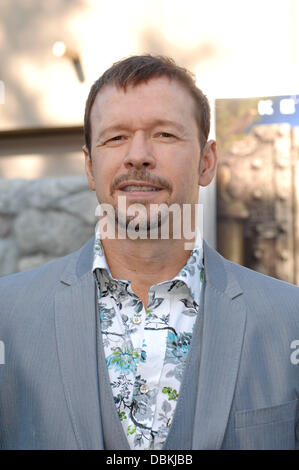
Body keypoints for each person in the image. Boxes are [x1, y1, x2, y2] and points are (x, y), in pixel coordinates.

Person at [0, 55, 298, 450]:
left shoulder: (289, 319)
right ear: (90, 167)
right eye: (115, 137)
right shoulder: (7, 315)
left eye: (164, 135)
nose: (137, 155)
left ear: (207, 162)